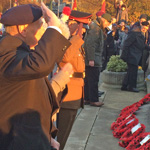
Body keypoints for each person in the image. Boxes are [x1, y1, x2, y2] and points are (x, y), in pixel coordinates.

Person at [0, 3, 72, 150]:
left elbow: (34, 99)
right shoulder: (6, 54)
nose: (44, 30)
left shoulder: (21, 53)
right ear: (23, 29)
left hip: (34, 140)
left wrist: (47, 136)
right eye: (41, 25)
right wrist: (54, 27)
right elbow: (40, 64)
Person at [57, 10, 92, 150]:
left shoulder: (74, 42)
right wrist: (76, 38)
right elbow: (64, 57)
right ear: (72, 24)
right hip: (68, 92)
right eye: (81, 27)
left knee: (65, 132)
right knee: (61, 134)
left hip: (75, 91)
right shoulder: (66, 40)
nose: (83, 31)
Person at [83, 13, 112, 107]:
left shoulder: (96, 27)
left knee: (88, 80)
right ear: (103, 20)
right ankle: (94, 100)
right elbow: (90, 44)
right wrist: (91, 59)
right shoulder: (95, 28)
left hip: (93, 57)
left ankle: (87, 98)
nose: (107, 25)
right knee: (93, 79)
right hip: (93, 58)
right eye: (107, 23)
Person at [121, 25, 146, 92]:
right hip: (132, 55)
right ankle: (131, 86)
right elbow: (126, 45)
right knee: (133, 72)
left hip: (135, 55)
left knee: (130, 71)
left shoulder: (138, 35)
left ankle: (125, 85)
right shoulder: (134, 35)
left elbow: (142, 45)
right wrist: (124, 55)